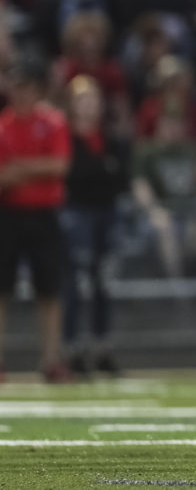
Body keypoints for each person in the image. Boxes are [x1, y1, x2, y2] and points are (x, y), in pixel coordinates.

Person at [0, 56, 72, 383]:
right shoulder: (3, 125)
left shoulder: (53, 121)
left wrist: (20, 170)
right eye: (17, 87)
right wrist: (35, 168)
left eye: (26, 87)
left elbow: (59, 165)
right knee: (2, 290)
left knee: (49, 290)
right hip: (9, 214)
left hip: (44, 213)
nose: (21, 94)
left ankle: (51, 359)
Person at [62, 75, 130, 376]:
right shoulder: (66, 137)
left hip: (106, 211)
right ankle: (71, 348)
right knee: (77, 283)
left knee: (103, 282)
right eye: (83, 99)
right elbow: (75, 175)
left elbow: (121, 178)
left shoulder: (110, 138)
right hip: (77, 212)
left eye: (93, 99)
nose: (89, 106)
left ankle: (102, 346)